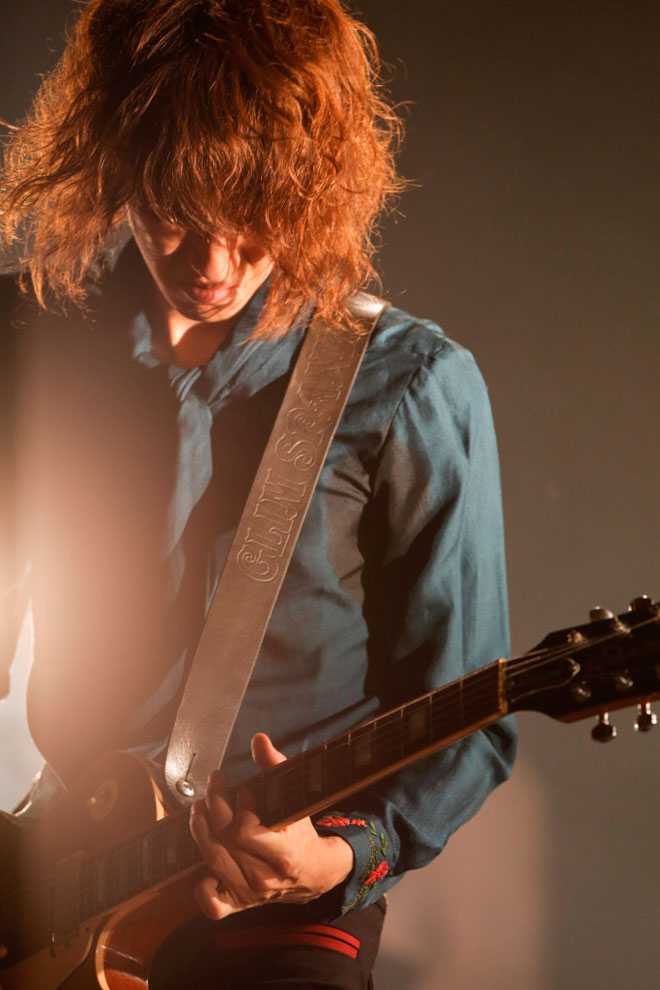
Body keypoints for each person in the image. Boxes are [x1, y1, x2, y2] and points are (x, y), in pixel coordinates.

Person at [0, 1, 516, 987]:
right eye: (175, 215)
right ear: (116, 166)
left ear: (311, 194)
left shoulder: (410, 386)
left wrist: (342, 859)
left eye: (253, 221)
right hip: (46, 879)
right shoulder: (29, 338)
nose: (213, 265)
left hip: (277, 905)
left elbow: (473, 719)